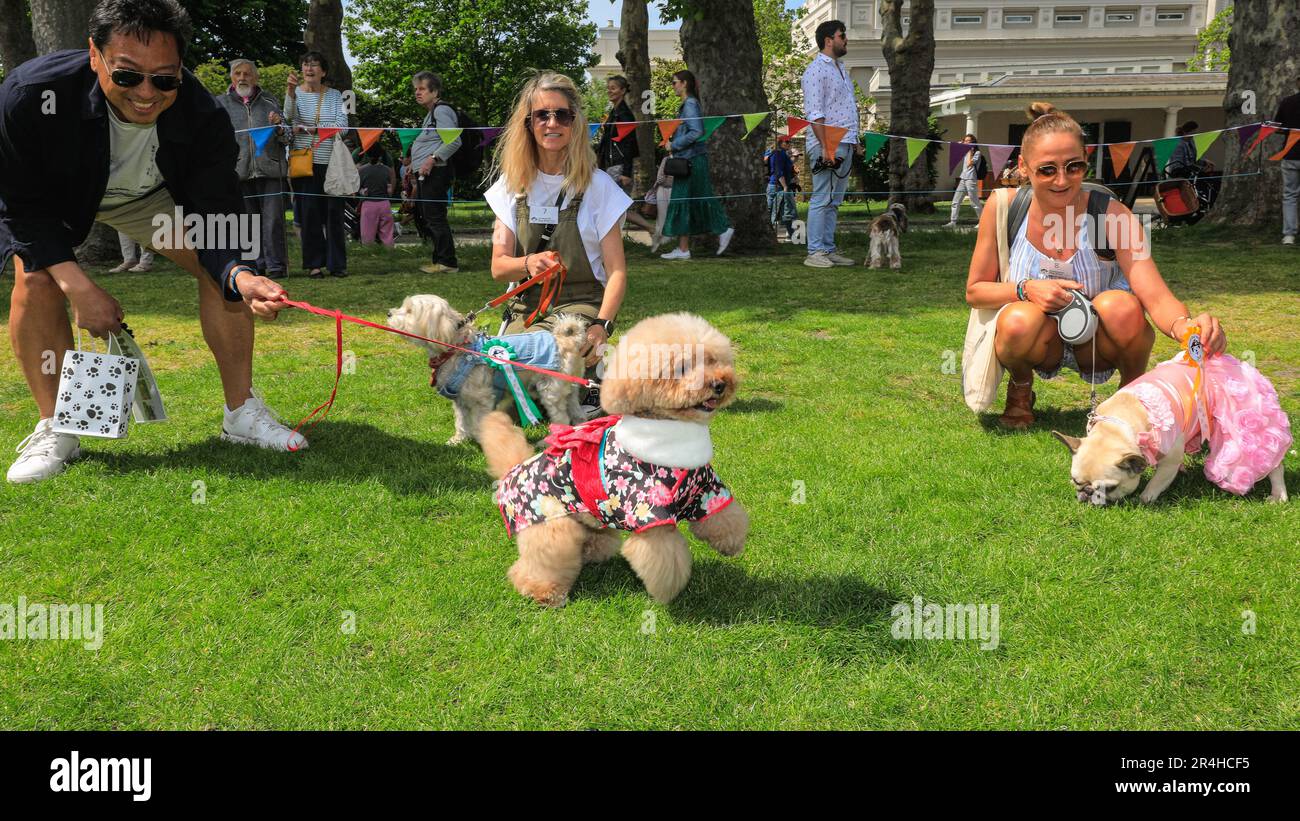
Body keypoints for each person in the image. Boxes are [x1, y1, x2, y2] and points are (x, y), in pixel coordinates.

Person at [0, 0, 303, 484]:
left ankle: (241, 413)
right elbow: (21, 209)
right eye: (127, 76)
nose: (147, 94)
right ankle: (55, 426)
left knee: (219, 272)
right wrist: (80, 287)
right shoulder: (29, 93)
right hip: (56, 201)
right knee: (35, 276)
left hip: (149, 197)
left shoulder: (203, 114)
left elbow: (217, 215)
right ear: (94, 54)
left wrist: (239, 275)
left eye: (165, 79)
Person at [964, 102, 1227, 429]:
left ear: (1086, 161)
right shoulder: (1003, 207)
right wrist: (1026, 289)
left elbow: (1155, 296)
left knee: (1121, 306)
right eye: (1047, 169)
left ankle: (1133, 391)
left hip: (1100, 342)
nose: (1061, 180)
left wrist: (1189, 329)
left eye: (1073, 167)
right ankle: (1020, 387)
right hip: (1040, 339)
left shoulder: (1112, 214)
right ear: (1023, 166)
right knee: (1018, 319)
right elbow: (975, 291)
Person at [484, 71, 629, 413]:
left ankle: (594, 375)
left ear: (575, 122)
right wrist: (527, 264)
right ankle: (590, 381)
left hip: (581, 307)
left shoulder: (599, 187)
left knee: (548, 366)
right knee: (498, 392)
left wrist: (601, 327)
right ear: (527, 123)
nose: (552, 123)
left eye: (562, 114)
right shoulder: (512, 185)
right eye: (542, 115)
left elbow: (618, 272)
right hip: (528, 309)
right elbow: (498, 267)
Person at [214, 57, 289, 279]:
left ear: (255, 77)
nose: (242, 78)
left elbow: (288, 138)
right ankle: (255, 265)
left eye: (247, 74)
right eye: (238, 74)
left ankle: (276, 266)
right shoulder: (220, 104)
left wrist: (279, 127)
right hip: (239, 172)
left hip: (271, 170)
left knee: (273, 220)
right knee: (247, 222)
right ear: (231, 77)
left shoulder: (270, 101)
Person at [801, 19, 860, 268]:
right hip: (827, 142)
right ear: (828, 41)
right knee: (822, 197)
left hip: (845, 141)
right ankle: (815, 252)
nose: (845, 39)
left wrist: (855, 140)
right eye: (841, 35)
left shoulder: (841, 69)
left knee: (834, 200)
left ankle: (827, 248)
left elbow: (845, 109)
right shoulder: (816, 70)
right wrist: (826, 146)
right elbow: (815, 113)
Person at [285, 50, 348, 278]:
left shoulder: (336, 95)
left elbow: (343, 126)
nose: (309, 69)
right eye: (305, 64)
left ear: (324, 71)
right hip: (304, 162)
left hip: (331, 162)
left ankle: (337, 264)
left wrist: (316, 129)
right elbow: (287, 121)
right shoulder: (294, 94)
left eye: (314, 65)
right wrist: (290, 94)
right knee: (309, 215)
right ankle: (314, 265)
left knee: (334, 214)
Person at [660, 70, 734, 260]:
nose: (673, 86)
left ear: (684, 84)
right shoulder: (687, 104)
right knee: (684, 201)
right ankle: (684, 249)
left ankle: (723, 229)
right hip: (689, 159)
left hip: (691, 160)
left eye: (674, 82)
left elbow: (696, 131)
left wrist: (673, 144)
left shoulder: (690, 104)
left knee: (693, 199)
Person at [409, 71, 460, 274]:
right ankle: (440, 260)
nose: (417, 93)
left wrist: (432, 159)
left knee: (435, 217)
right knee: (428, 216)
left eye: (422, 89)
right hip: (428, 173)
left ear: (435, 91)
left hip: (436, 172)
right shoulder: (432, 113)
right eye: (416, 89)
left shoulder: (441, 111)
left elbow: (454, 141)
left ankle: (447, 262)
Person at [595, 75, 654, 235]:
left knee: (615, 206)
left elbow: (629, 145)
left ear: (622, 91)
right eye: (609, 87)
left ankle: (652, 229)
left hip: (619, 166)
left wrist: (626, 172)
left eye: (613, 87)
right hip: (611, 165)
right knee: (612, 205)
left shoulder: (624, 115)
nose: (609, 90)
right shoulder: (614, 112)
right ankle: (650, 229)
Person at [1273, 86, 1300, 246]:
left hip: (1290, 154)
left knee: (1290, 195)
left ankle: (1289, 235)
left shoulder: (1287, 102)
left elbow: (1279, 128)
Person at [944, 133, 987, 227]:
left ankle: (982, 222)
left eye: (969, 141)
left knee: (974, 201)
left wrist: (970, 151)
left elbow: (969, 164)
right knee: (956, 201)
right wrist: (961, 143)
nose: (967, 142)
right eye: (965, 141)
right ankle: (953, 222)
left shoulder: (977, 153)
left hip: (971, 179)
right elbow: (956, 145)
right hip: (963, 178)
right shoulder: (964, 151)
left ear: (973, 143)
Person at [357, 149, 396, 247]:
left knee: (367, 234)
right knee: (387, 233)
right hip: (385, 204)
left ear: (367, 156)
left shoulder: (361, 170)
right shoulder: (388, 170)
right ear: (381, 156)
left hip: (368, 205)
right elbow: (390, 190)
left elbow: (357, 189)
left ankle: (368, 252)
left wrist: (362, 192)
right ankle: (389, 252)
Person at [767, 135, 797, 238]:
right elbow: (778, 171)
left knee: (787, 210)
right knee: (772, 211)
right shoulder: (778, 154)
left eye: (790, 141)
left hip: (781, 185)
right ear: (780, 143)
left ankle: (792, 236)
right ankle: (769, 236)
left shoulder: (783, 154)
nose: (789, 143)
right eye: (787, 141)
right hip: (777, 186)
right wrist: (785, 186)